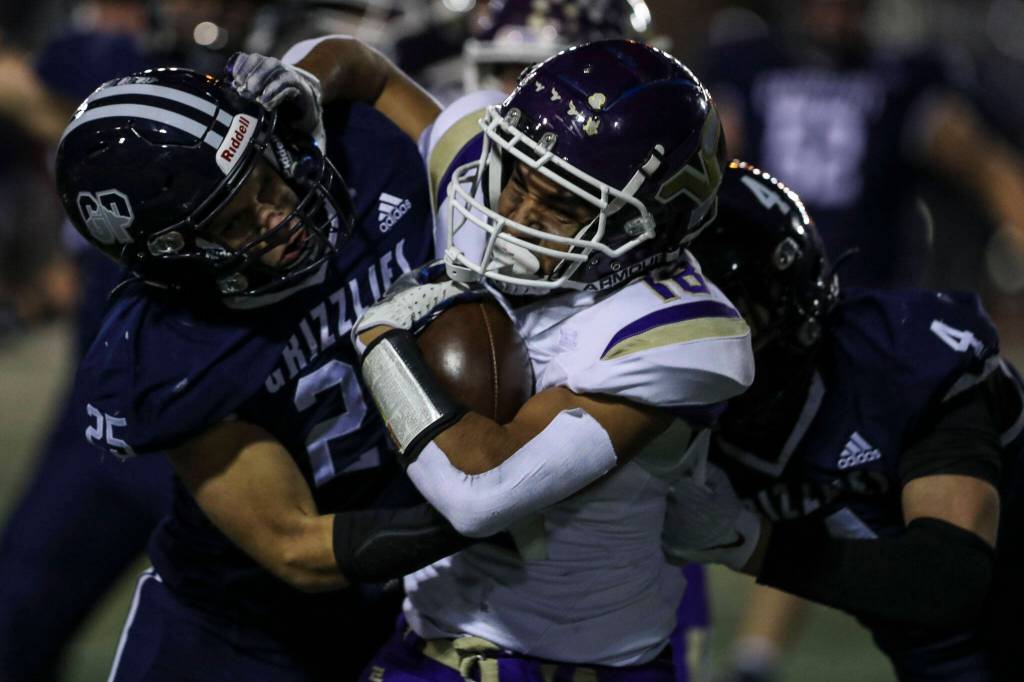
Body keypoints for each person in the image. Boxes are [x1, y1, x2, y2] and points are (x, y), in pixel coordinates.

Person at [341, 38, 754, 680]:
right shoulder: (491, 199)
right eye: (518, 180)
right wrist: (272, 95)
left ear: (650, 228)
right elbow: (361, 68)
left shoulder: (674, 330)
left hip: (591, 666)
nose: (517, 216)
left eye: (561, 205)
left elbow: (480, 493)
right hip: (428, 650)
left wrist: (381, 340)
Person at [55, 38, 465, 679]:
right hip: (241, 639)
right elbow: (296, 547)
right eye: (236, 224)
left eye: (266, 178)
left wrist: (302, 76)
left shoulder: (366, 157)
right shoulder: (171, 351)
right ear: (172, 257)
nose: (280, 216)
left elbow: (364, 70)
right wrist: (489, 506)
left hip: (413, 603)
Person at [664, 161, 1024, 681]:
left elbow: (948, 577)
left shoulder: (902, 361)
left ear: (790, 314)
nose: (693, 348)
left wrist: (749, 541)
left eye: (723, 317)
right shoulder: (677, 404)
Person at [701, 0, 1024, 289]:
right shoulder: (745, 63)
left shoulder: (900, 78)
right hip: (766, 285)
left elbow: (984, 166)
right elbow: (706, 161)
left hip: (864, 295)